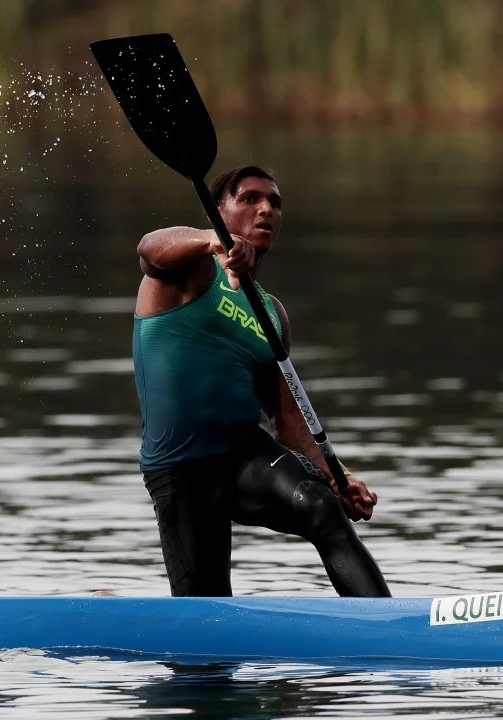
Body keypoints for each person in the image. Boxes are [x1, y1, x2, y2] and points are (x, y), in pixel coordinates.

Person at [132, 165, 390, 597]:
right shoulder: (188, 275)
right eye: (250, 198)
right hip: (180, 468)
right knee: (207, 615)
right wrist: (212, 240)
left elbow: (288, 422)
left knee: (322, 507)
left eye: (274, 202)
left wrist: (337, 476)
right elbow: (148, 249)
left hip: (243, 455)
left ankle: (389, 628)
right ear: (218, 210)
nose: (266, 208)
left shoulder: (271, 312)